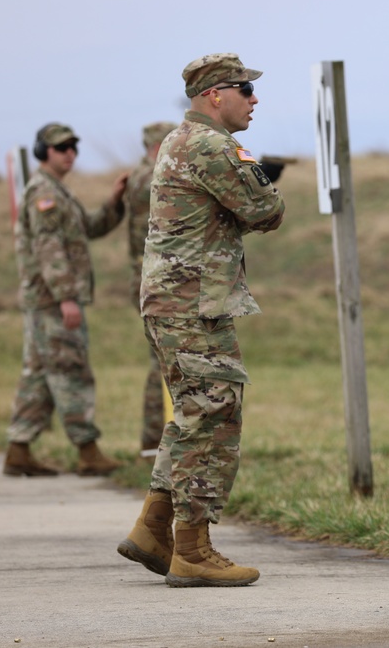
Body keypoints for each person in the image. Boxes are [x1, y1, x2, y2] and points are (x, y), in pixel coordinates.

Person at [117, 53, 285, 588]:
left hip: (180, 298)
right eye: (245, 89)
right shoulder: (212, 145)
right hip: (192, 301)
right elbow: (267, 210)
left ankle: (154, 528)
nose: (254, 99)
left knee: (195, 412)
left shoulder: (177, 139)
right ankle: (192, 550)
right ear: (215, 94)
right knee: (214, 416)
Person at [4, 123, 127, 477]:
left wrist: (113, 202)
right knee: (71, 371)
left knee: (39, 375)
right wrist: (66, 297)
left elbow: (88, 228)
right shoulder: (45, 193)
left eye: (73, 147)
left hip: (45, 302)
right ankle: (88, 452)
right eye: (61, 148)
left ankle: (18, 449)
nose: (70, 153)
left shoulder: (57, 191)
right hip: (52, 303)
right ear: (43, 151)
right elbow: (49, 249)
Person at [124, 121, 178, 460]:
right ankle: (155, 439)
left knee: (162, 360)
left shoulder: (142, 176)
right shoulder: (148, 178)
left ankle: (155, 440)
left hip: (153, 280)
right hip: (153, 282)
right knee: (163, 361)